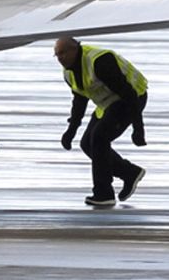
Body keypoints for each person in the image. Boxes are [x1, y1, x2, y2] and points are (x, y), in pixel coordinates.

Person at [54, 36, 148, 208]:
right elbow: (79, 101)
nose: (60, 58)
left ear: (75, 49)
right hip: (107, 103)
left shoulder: (100, 62)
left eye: (63, 53)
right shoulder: (69, 72)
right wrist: (71, 131)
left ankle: (103, 193)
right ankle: (129, 173)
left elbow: (129, 94)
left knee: (99, 138)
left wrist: (138, 129)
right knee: (86, 144)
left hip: (132, 98)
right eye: (57, 55)